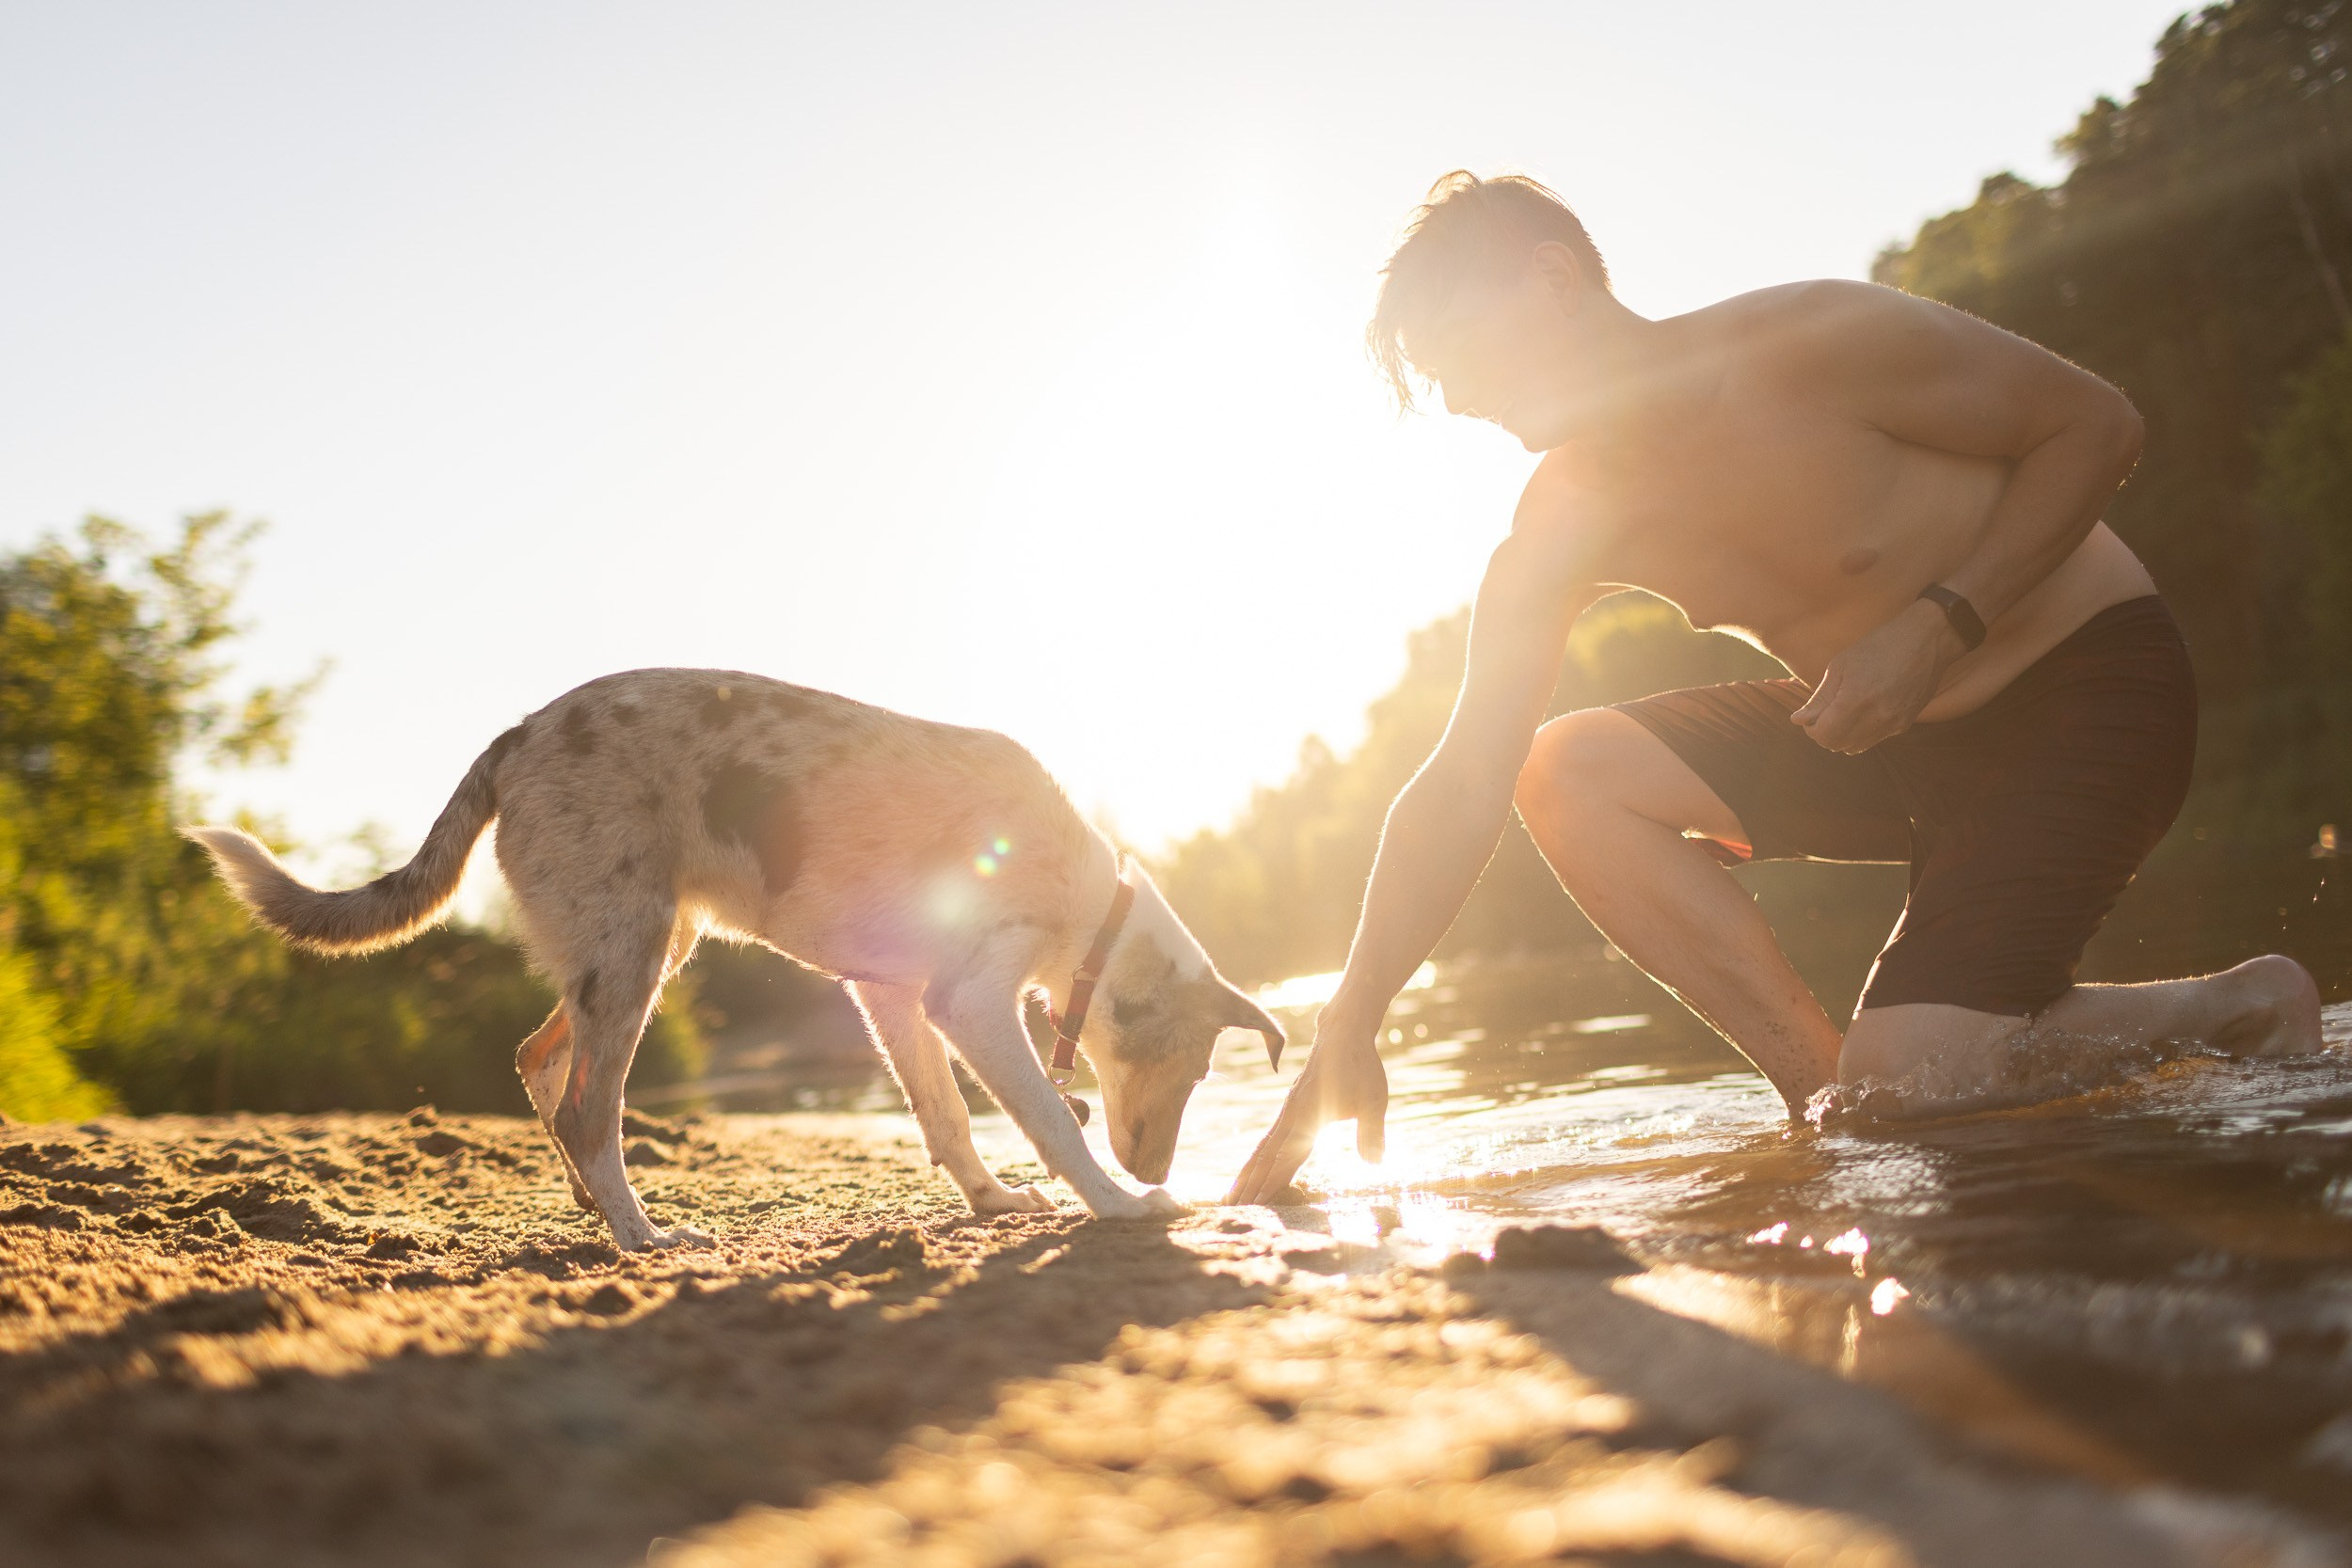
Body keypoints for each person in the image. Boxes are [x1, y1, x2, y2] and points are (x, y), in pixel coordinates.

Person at [1227, 171, 2326, 1205]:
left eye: (1458, 350)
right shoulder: (1560, 524)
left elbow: (2094, 424)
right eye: (1436, 376)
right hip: (1891, 741)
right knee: (1562, 771)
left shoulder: (1812, 342)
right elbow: (1462, 778)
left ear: (1552, 279)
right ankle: (1830, 1101)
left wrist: (1937, 624)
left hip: (2090, 684)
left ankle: (2239, 1005)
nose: (1458, 396)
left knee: (1916, 1069)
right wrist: (1351, 1018)